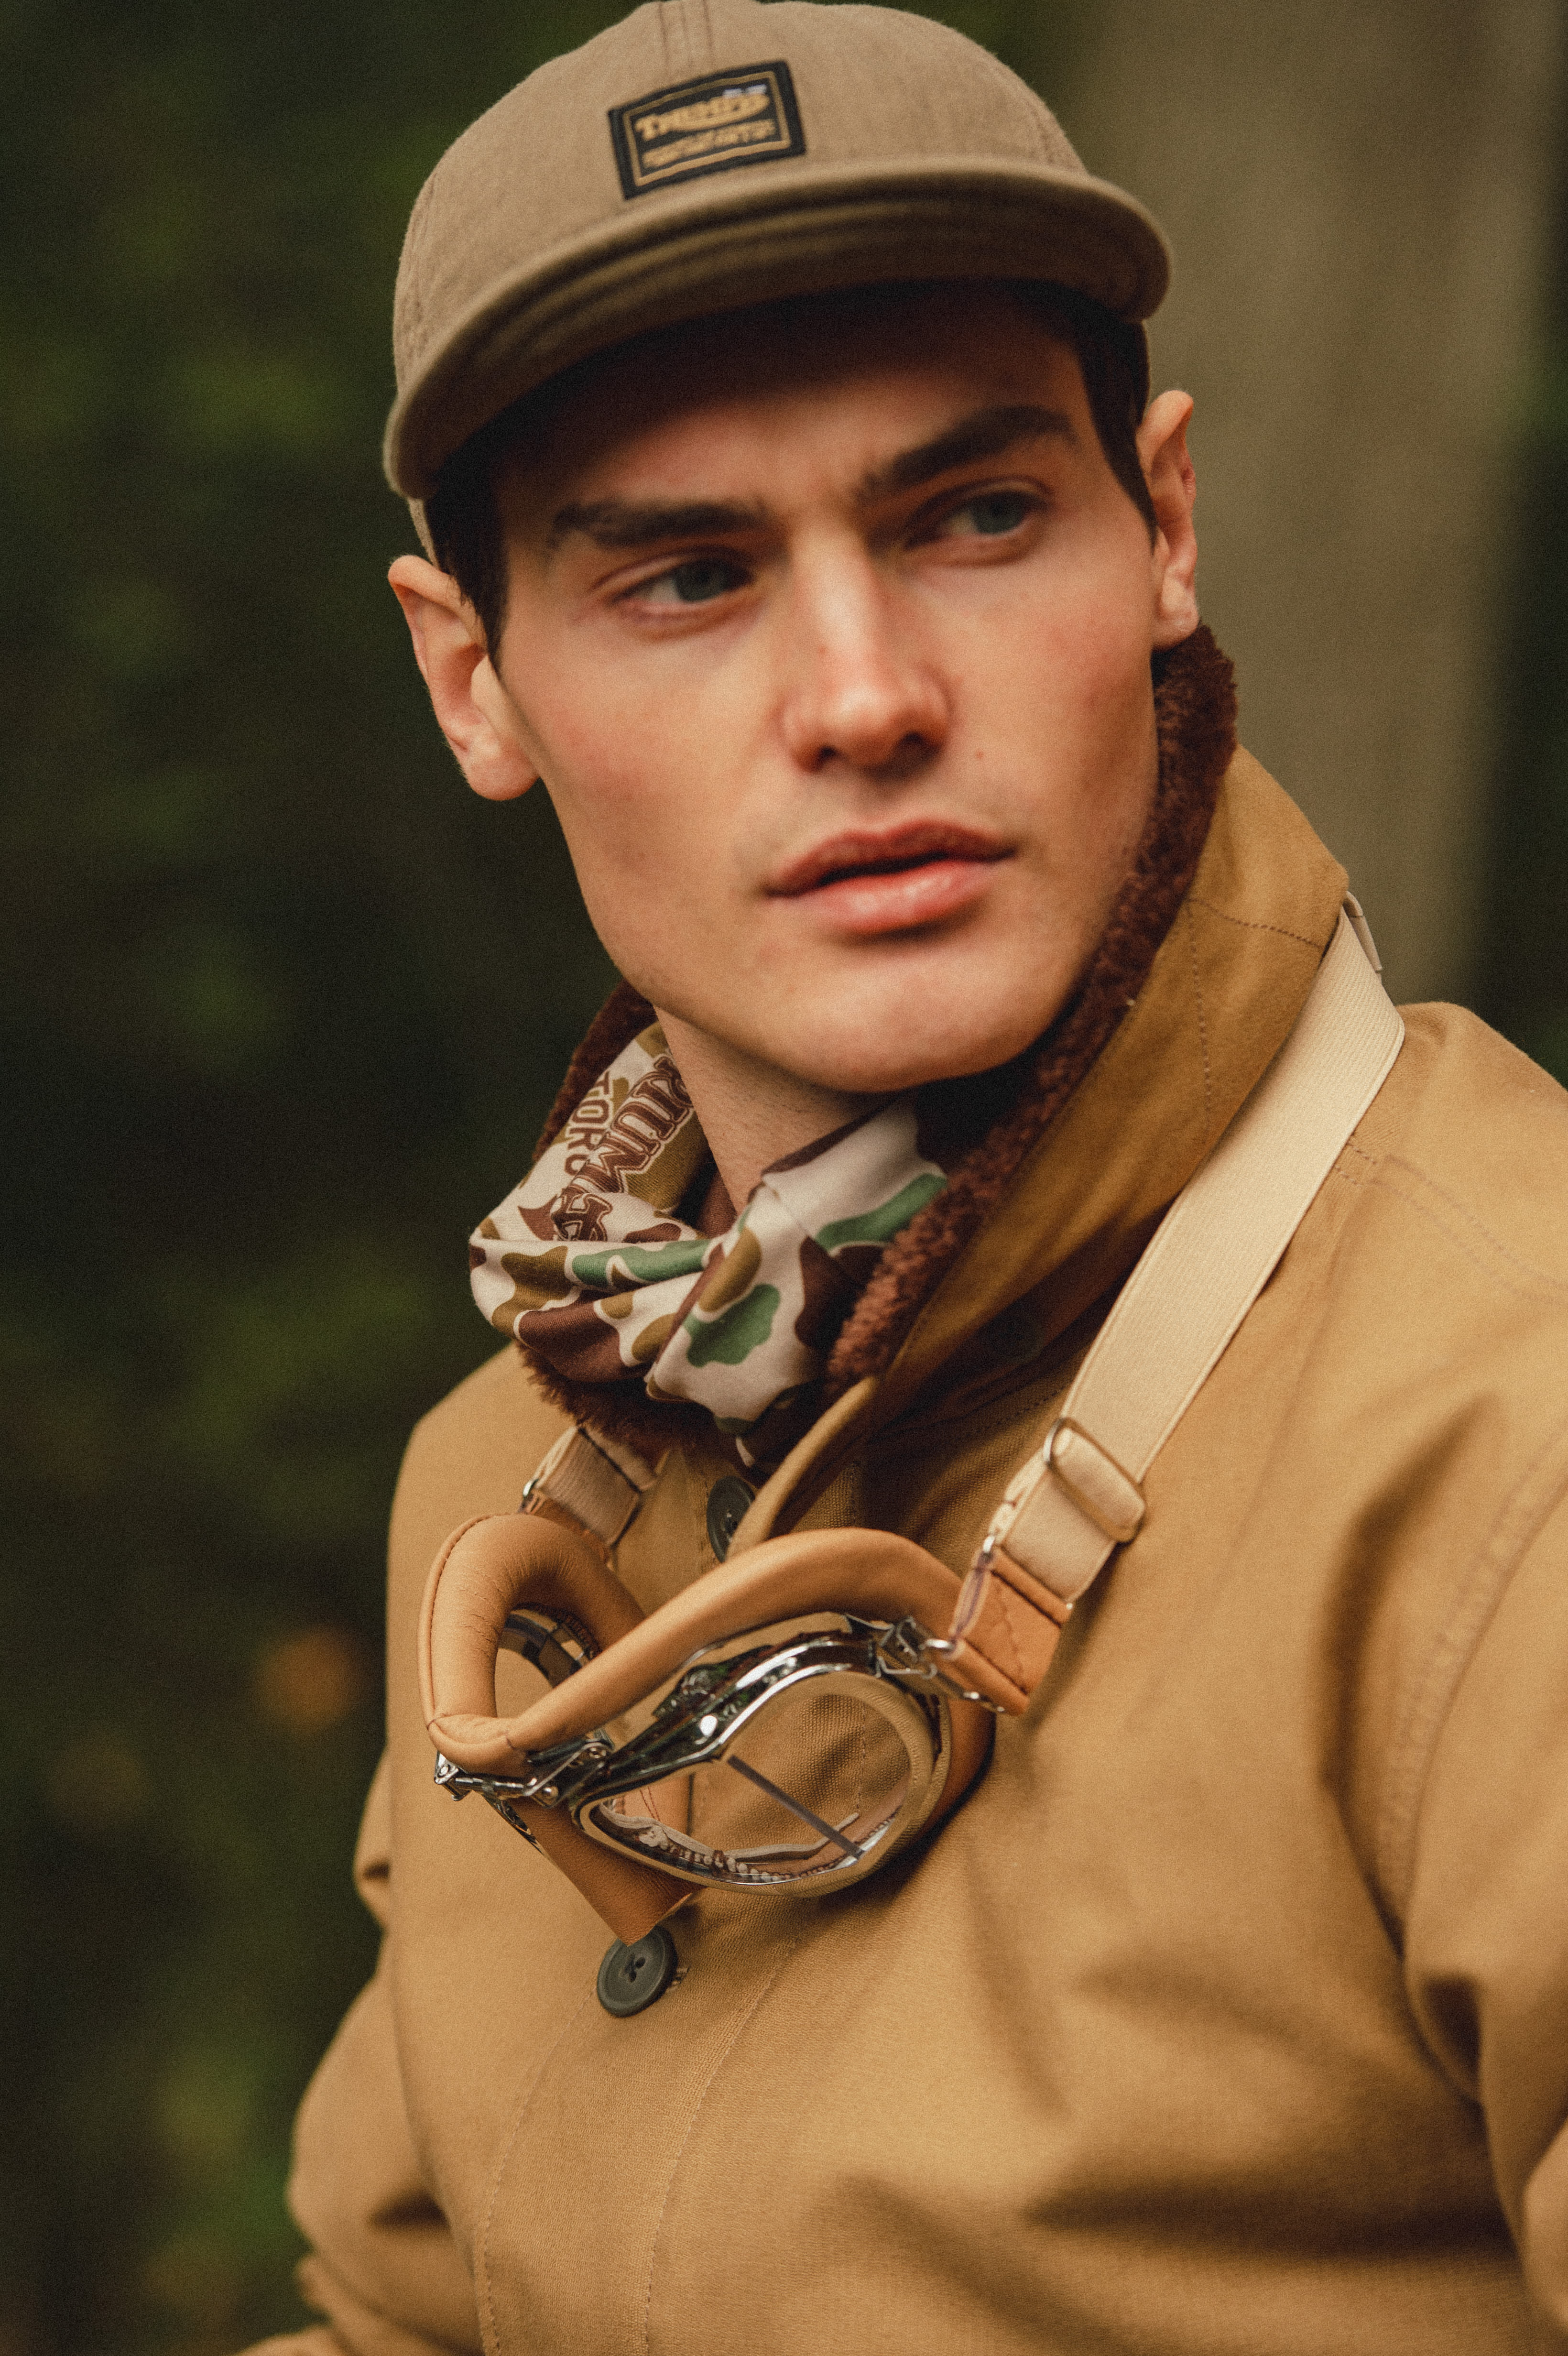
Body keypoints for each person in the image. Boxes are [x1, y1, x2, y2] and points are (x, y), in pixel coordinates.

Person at [244, 4, 1568, 2351]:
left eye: (971, 518)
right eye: (687, 576)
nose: (863, 696)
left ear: (1161, 527)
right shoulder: (511, 1486)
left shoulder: (1508, 1411)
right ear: (472, 681)